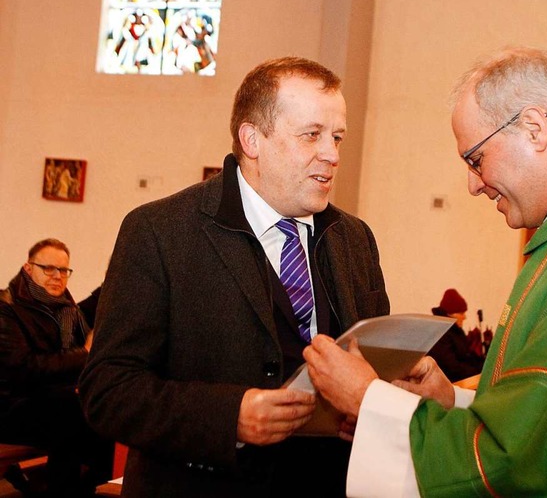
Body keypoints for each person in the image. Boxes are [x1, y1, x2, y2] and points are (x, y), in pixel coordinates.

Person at [304, 47, 547, 496]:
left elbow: (524, 464)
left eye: (476, 159)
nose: (473, 184)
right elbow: (539, 418)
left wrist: (369, 399)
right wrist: (452, 401)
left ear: (534, 129)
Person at [78, 56, 390, 498]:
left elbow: (369, 361)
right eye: (311, 135)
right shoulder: (160, 231)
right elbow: (108, 390)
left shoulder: (354, 238)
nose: (332, 154)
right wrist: (229, 417)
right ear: (252, 139)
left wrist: (374, 401)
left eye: (337, 137)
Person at [0, 238, 114, 497]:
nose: (57, 276)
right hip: (11, 407)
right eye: (48, 268)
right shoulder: (8, 309)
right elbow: (25, 369)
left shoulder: (65, 310)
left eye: (63, 270)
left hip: (50, 403)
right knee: (73, 409)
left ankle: (94, 487)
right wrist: (84, 353)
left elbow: (94, 306)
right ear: (28, 269)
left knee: (106, 411)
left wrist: (115, 279)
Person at [427, 288, 484, 381]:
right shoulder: (440, 334)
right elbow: (452, 368)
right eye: (461, 313)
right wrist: (477, 372)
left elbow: (468, 356)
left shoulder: (456, 331)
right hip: (452, 385)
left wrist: (485, 366)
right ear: (450, 314)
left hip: (464, 380)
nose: (464, 317)